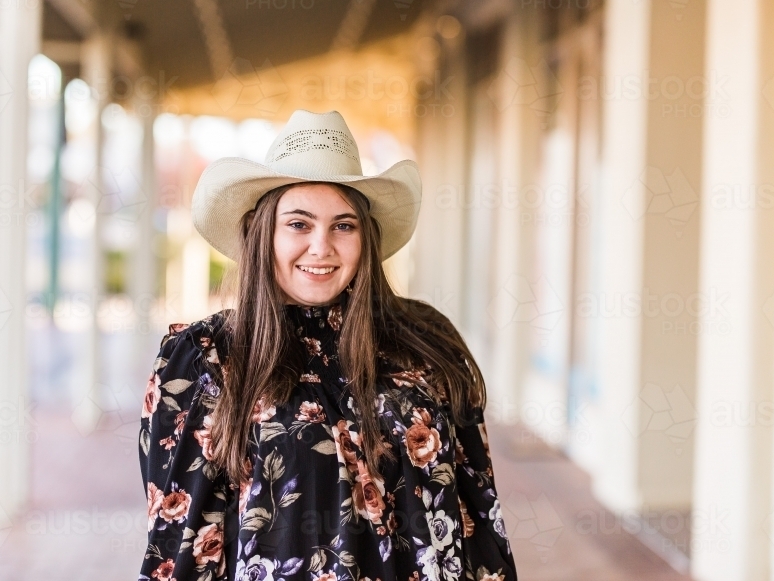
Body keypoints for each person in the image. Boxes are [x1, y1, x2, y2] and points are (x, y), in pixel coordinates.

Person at [138, 109, 516, 581]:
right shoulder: (205, 357)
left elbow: (478, 510)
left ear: (366, 238)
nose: (322, 247)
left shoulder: (426, 340)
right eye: (298, 224)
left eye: (343, 225)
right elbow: (181, 547)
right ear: (264, 234)